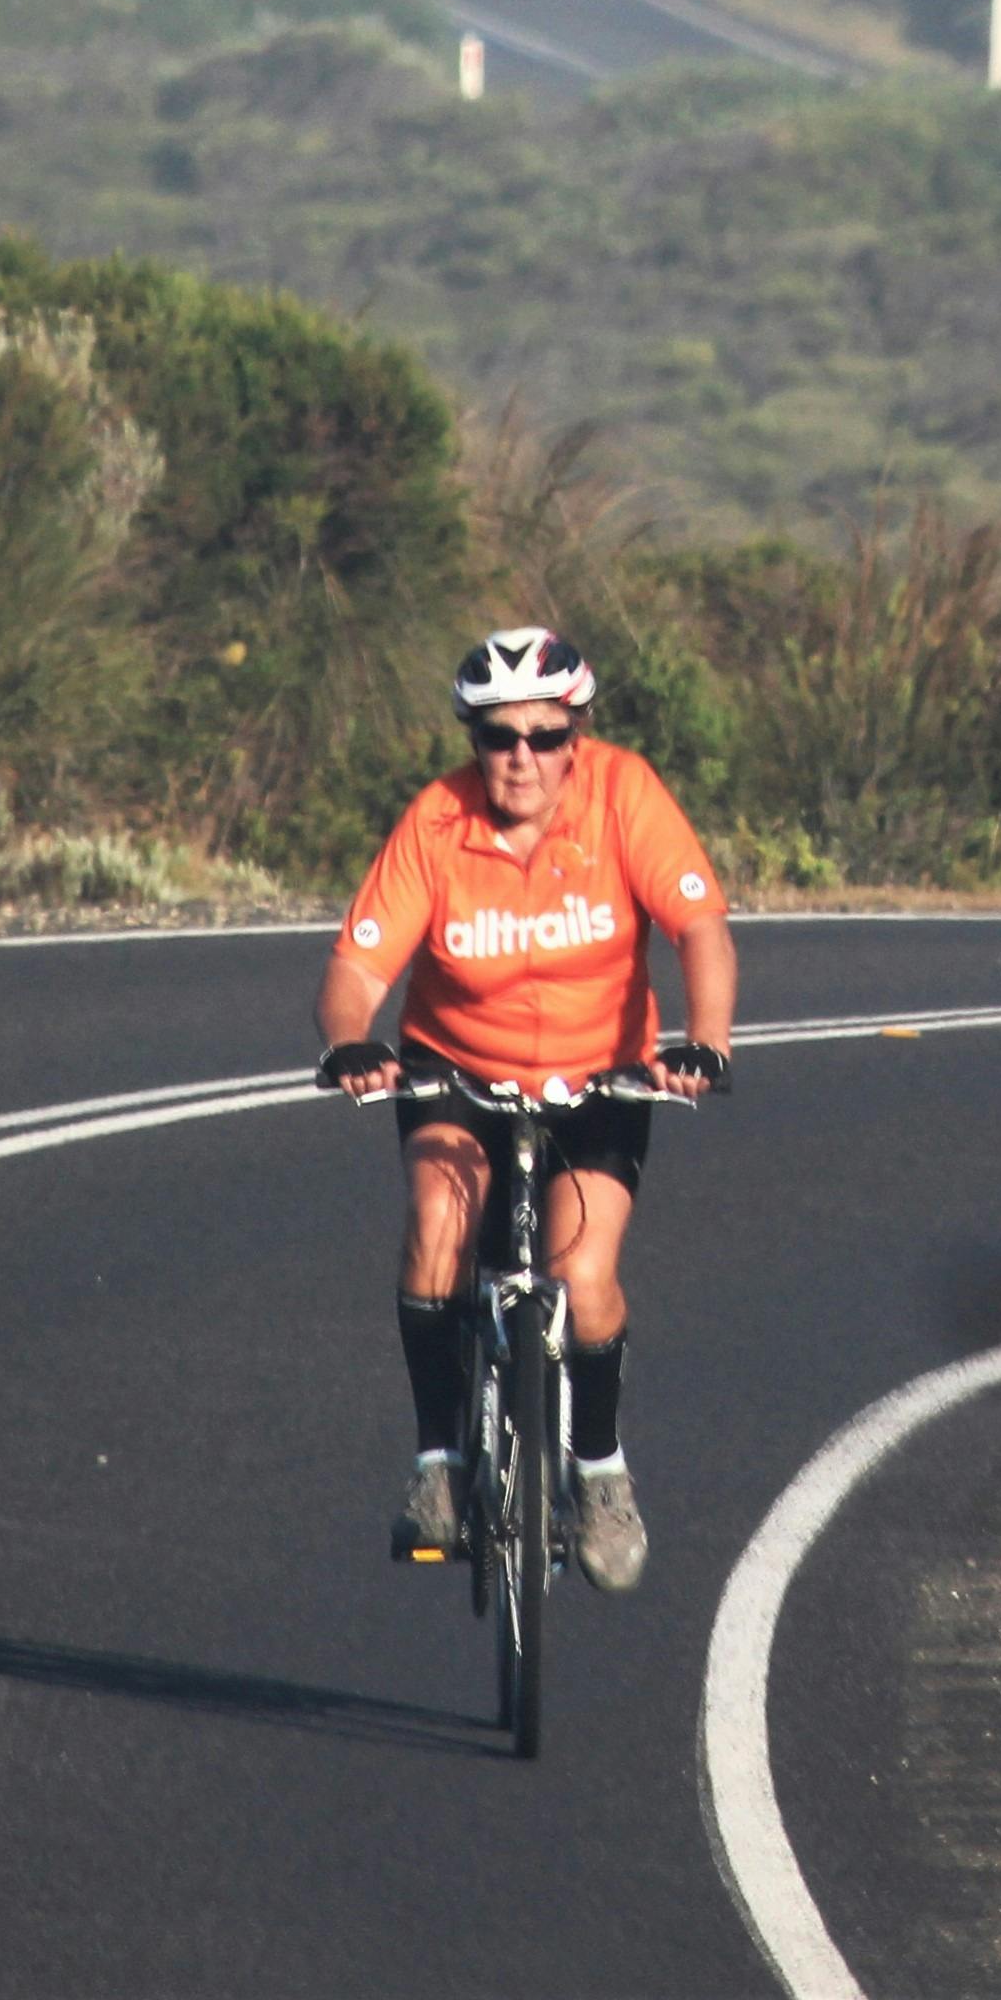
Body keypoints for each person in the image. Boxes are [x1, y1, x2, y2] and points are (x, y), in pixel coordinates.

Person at [313, 625, 735, 1592]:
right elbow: (357, 967)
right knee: (435, 1232)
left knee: (582, 1280)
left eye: (545, 737)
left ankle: (600, 1474)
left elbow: (699, 926)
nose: (522, 758)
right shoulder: (435, 822)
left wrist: (706, 1041)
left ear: (576, 735)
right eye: (500, 736)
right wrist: (350, 1042)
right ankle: (438, 1470)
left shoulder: (626, 795)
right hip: (457, 1071)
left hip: (598, 1077)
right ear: (473, 741)